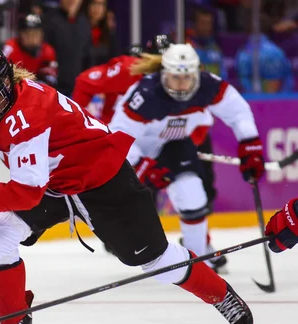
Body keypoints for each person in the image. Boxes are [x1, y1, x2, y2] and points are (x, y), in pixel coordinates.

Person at [0, 47, 255, 324]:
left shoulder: (27, 115)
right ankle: (14, 322)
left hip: (102, 180)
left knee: (156, 262)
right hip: (54, 184)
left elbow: (26, 192)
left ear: (7, 85)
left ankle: (220, 293)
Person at [109, 43, 265, 274]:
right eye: (175, 78)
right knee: (129, 207)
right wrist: (141, 164)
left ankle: (198, 258)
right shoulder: (146, 94)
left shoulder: (208, 84)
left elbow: (237, 111)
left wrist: (250, 143)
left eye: (187, 78)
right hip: (138, 151)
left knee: (193, 195)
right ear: (164, 74)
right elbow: (119, 137)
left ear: (197, 74)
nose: (181, 84)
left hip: (174, 145)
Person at [71, 35, 171, 124]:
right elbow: (84, 81)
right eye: (160, 63)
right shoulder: (128, 70)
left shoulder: (179, 77)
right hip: (117, 135)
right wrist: (78, 121)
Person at [42, 0, 92, 96]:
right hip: (53, 90)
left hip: (78, 90)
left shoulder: (84, 23)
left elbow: (87, 57)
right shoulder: (49, 21)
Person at [2, 14, 58, 88]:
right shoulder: (10, 49)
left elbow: (51, 81)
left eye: (36, 33)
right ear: (20, 34)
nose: (32, 37)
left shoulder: (48, 51)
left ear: (42, 34)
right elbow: (1, 78)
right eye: (27, 33)